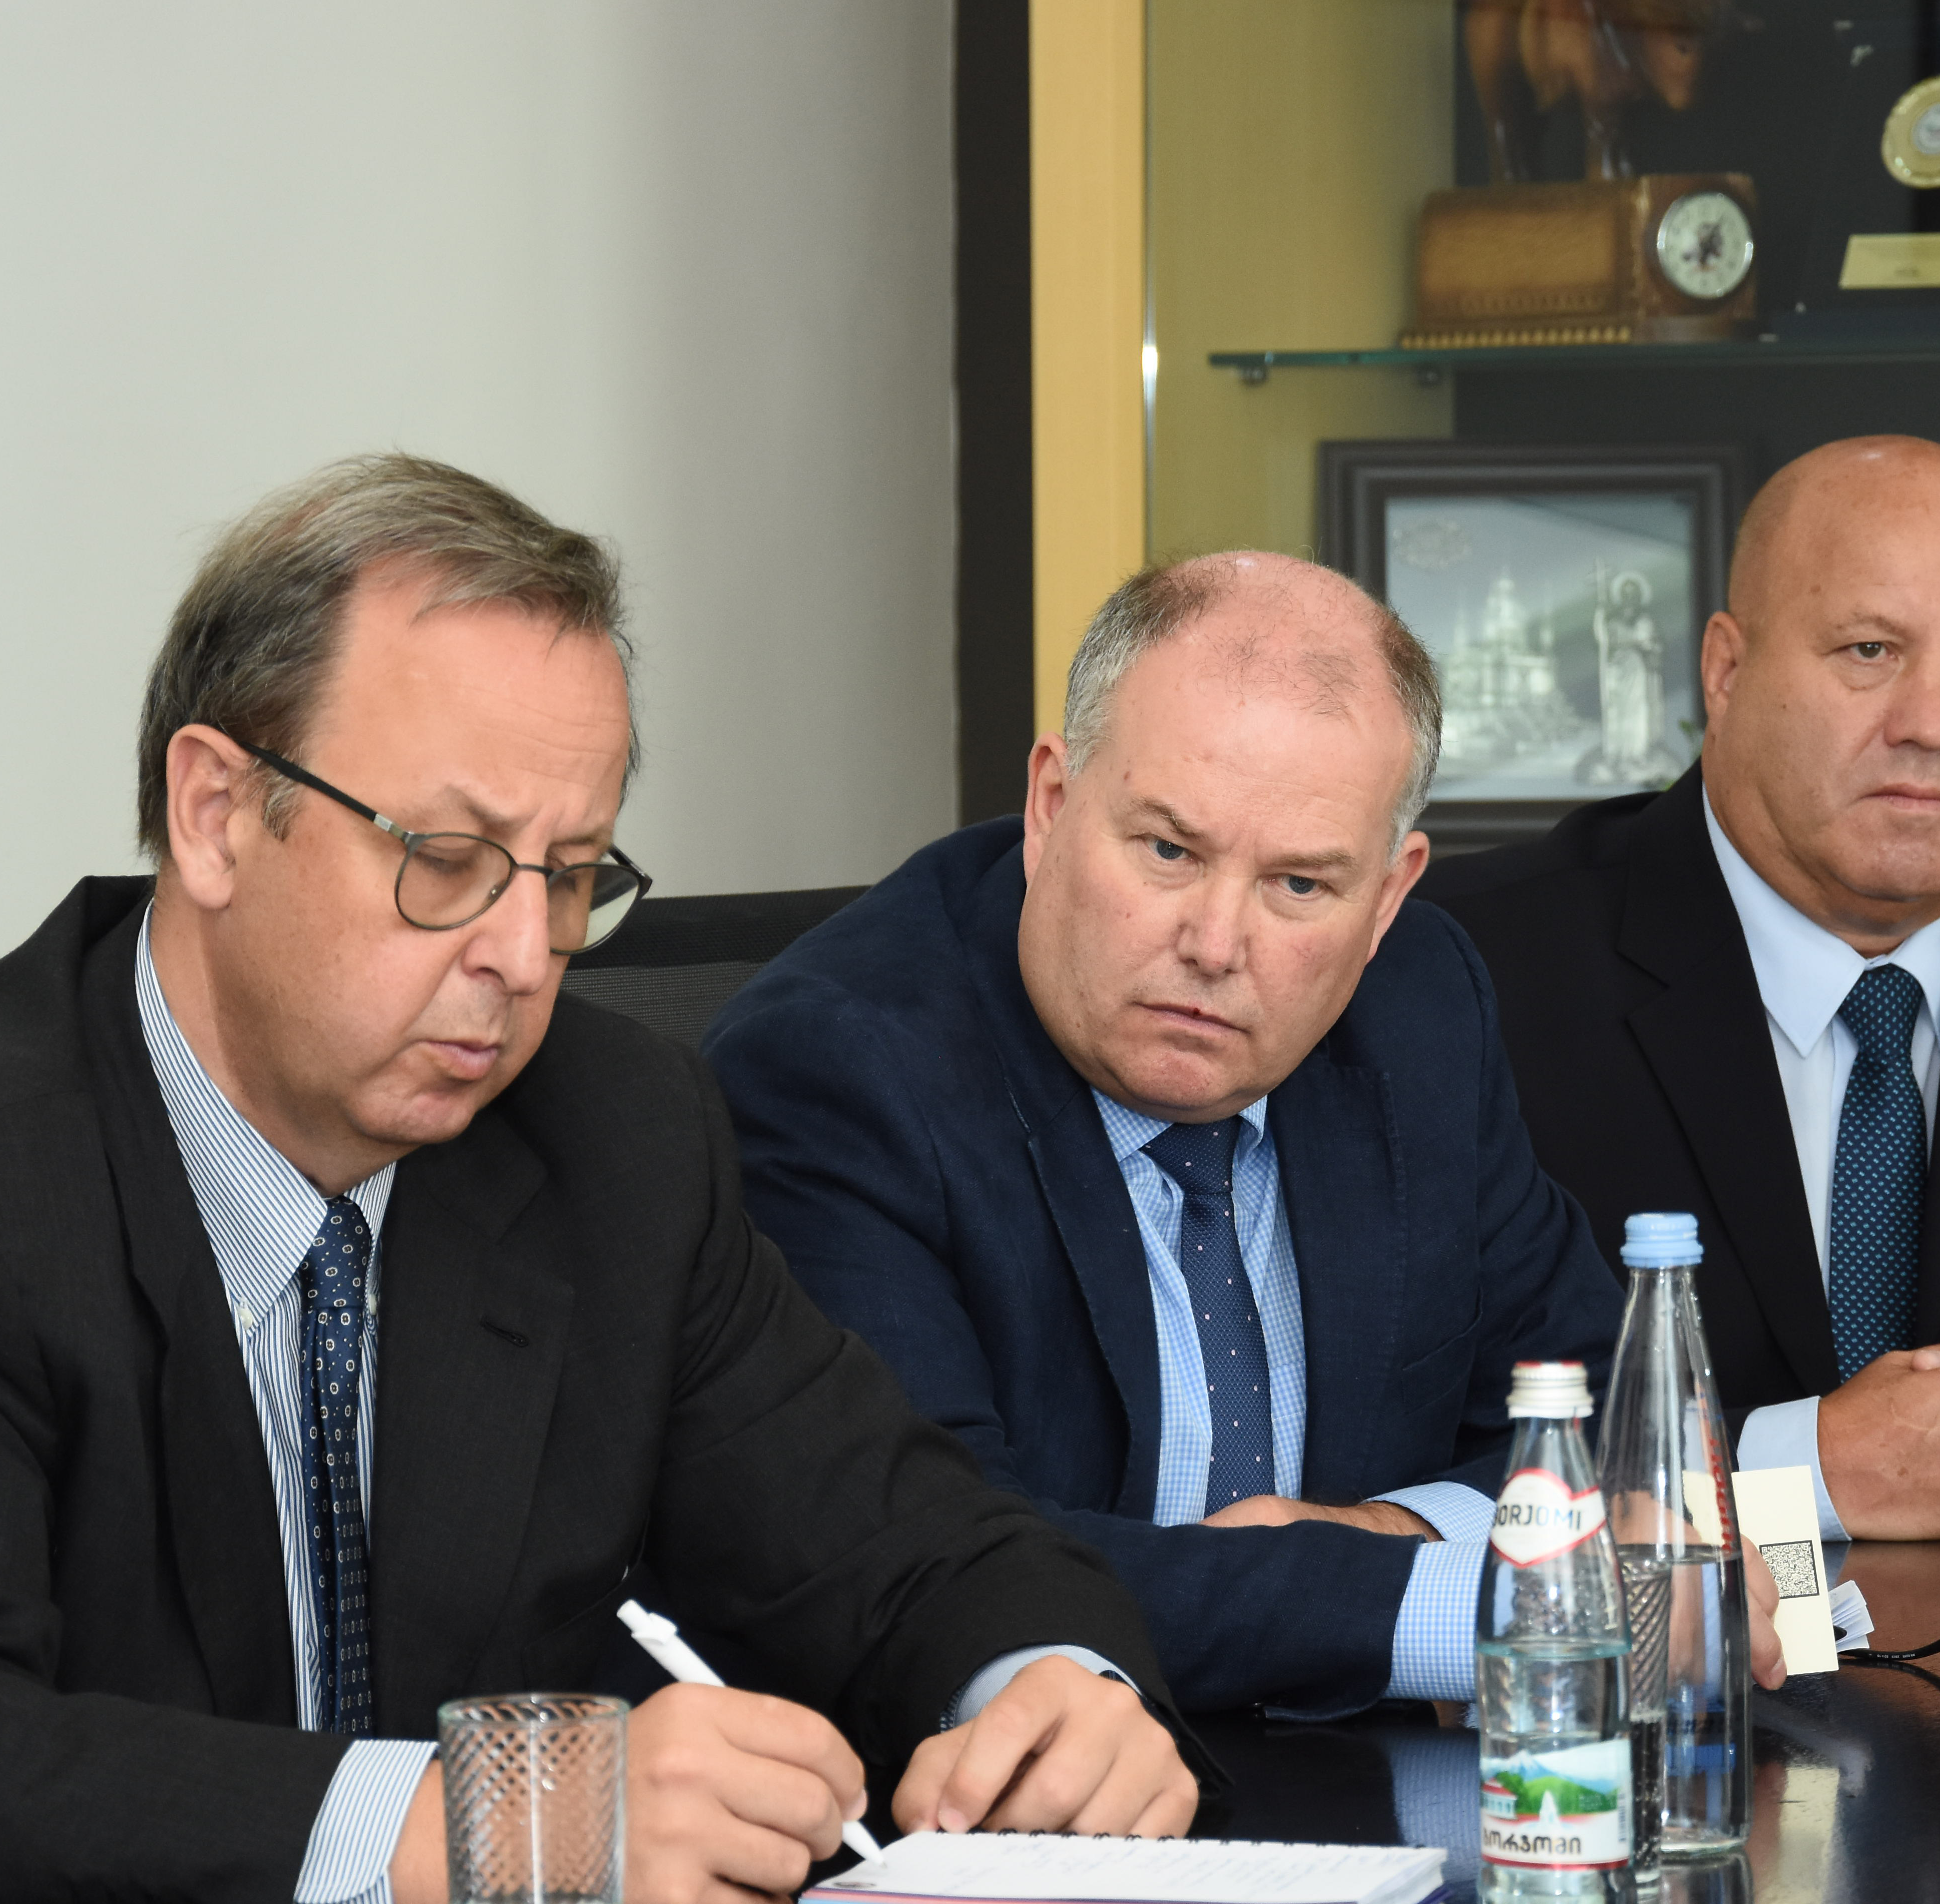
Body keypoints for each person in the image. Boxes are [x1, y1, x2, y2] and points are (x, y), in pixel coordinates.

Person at [0, 457, 1192, 1904]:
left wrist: (1049, 1685)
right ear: (217, 813)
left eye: (570, 872)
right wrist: (494, 1823)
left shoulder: (612, 1136)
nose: (522, 954)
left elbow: (898, 1537)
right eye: (448, 857)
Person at [706, 552, 1781, 1719]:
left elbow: (1614, 1416)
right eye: (1169, 851)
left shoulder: (1418, 1005)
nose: (1216, 944)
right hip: (1016, 1797)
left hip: (1373, 1784)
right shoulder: (840, 1070)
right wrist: (1493, 1604)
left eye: (1300, 886)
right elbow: (940, 1559)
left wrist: (1392, 1530)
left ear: (1388, 898)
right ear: (1052, 804)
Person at [1421, 437, 1940, 1542]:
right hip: (1661, 1645)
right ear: (1726, 671)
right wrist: (1809, 1469)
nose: (1933, 723)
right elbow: (1404, 1463)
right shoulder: (1470, 972)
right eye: (1870, 650)